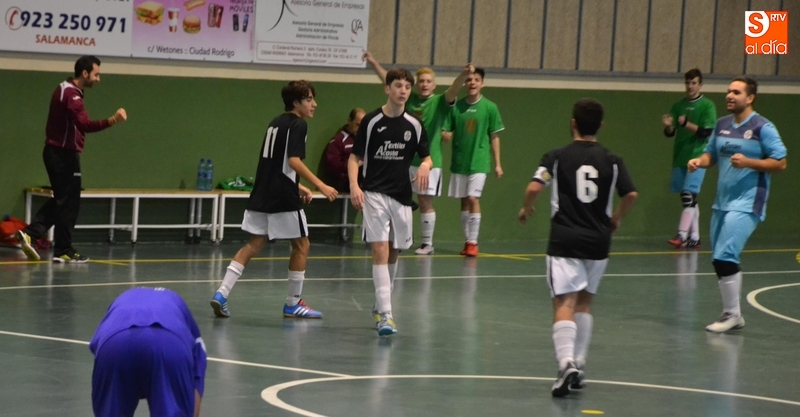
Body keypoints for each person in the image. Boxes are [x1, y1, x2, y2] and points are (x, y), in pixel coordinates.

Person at [517, 99, 638, 397]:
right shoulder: (613, 160)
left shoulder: (557, 157)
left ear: (573, 123)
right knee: (584, 303)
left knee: (564, 303)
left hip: (565, 239)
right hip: (599, 240)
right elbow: (631, 194)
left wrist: (527, 207)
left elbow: (534, 186)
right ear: (600, 126)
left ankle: (565, 363)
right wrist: (616, 218)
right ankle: (579, 363)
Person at [210, 80, 338, 319]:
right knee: (301, 245)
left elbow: (275, 166)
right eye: (309, 99)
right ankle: (293, 303)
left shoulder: (275, 123)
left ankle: (222, 293)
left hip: (262, 193)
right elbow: (293, 161)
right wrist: (320, 185)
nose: (314, 104)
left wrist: (299, 187)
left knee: (253, 245)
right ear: (296, 102)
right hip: (282, 198)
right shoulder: (299, 125)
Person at [688, 77, 787, 333]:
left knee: (726, 255)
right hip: (722, 203)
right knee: (718, 259)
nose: (729, 96)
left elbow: (780, 163)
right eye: (728, 91)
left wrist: (749, 163)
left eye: (736, 92)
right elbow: (711, 154)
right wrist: (699, 161)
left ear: (750, 98)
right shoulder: (722, 124)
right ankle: (734, 314)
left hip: (748, 202)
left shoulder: (763, 127)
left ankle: (731, 315)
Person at [15, 55, 127, 263]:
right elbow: (84, 125)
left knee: (65, 199)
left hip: (59, 153)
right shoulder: (71, 94)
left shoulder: (66, 89)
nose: (98, 79)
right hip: (62, 154)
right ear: (85, 73)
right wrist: (113, 120)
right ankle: (55, 245)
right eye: (96, 74)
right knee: (68, 201)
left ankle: (41, 239)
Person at [348, 67, 433, 336]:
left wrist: (425, 166)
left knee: (395, 250)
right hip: (374, 193)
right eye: (398, 86)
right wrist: (355, 186)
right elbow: (355, 157)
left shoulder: (415, 124)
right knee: (380, 250)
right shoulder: (372, 121)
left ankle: (380, 304)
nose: (403, 91)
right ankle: (386, 314)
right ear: (387, 89)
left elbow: (427, 157)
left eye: (407, 87)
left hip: (402, 196)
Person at [364, 51, 474, 255]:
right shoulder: (409, 98)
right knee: (397, 201)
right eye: (421, 81)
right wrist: (373, 62)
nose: (424, 84)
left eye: (428, 81)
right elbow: (388, 79)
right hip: (404, 161)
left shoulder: (440, 102)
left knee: (424, 200)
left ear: (434, 85)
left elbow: (454, 89)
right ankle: (396, 241)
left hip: (429, 161)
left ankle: (427, 244)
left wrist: (463, 75)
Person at [90, 287, 207, 417]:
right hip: (167, 342)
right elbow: (198, 368)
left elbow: (98, 346)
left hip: (114, 343)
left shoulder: (121, 300)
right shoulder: (180, 308)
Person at [444, 67, 504, 257]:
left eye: (476, 80)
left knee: (473, 198)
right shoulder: (457, 107)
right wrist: (446, 134)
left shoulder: (490, 108)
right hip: (460, 162)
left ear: (482, 83)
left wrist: (498, 163)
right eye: (469, 80)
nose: (472, 83)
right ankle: (467, 240)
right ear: (464, 83)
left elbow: (494, 136)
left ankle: (473, 242)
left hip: (479, 161)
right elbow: (447, 129)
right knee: (464, 201)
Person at [661, 68, 717, 249]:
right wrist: (669, 126)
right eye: (687, 83)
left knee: (688, 195)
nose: (690, 86)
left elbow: (706, 132)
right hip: (680, 157)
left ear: (700, 85)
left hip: (698, 156)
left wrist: (687, 124)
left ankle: (681, 235)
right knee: (689, 198)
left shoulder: (707, 106)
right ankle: (695, 237)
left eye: (693, 83)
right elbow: (670, 133)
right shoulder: (678, 106)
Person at [323, 108, 365, 192]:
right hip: (345, 186)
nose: (360, 128)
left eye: (363, 126)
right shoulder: (338, 140)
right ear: (349, 121)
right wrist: (355, 164)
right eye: (357, 125)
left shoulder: (366, 139)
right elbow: (333, 166)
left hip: (366, 186)